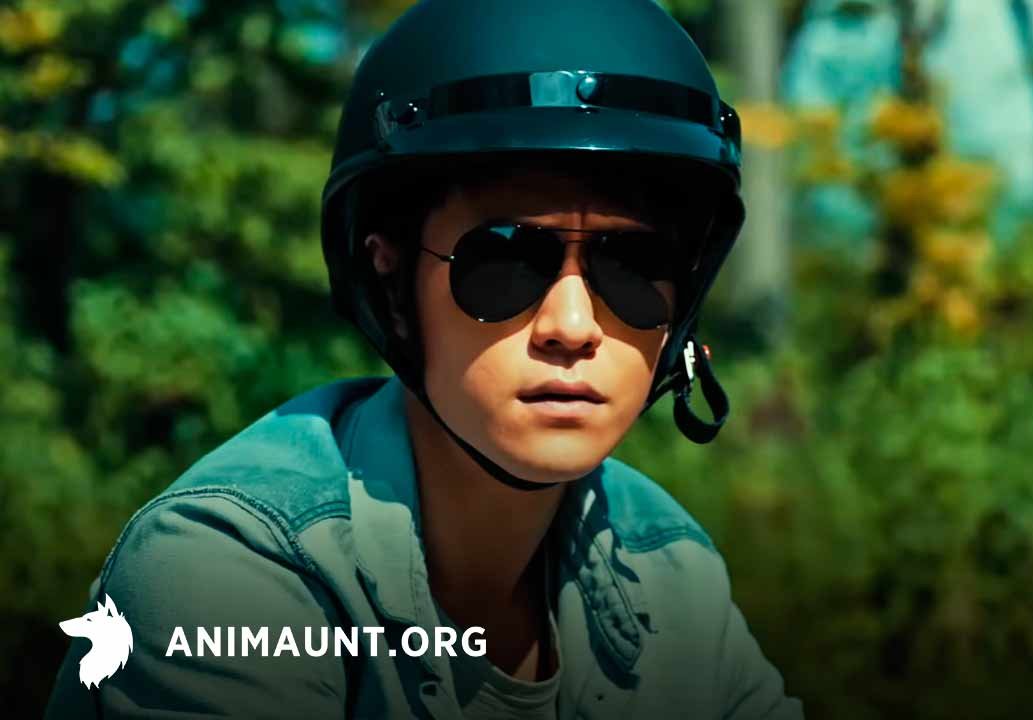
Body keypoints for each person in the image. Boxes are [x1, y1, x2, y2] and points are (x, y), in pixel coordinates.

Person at [45, 0, 803, 718]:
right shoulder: (224, 570)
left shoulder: (669, 568)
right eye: (503, 263)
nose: (573, 326)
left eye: (633, 267)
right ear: (391, 280)